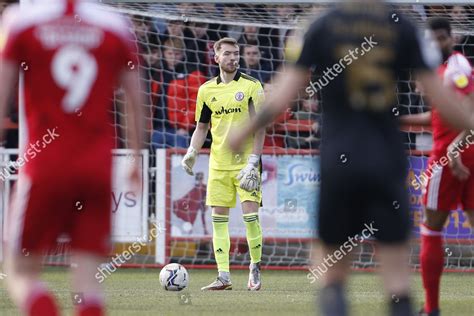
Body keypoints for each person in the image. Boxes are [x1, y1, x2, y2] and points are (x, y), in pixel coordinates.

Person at [229, 1, 474, 315]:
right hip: (386, 158)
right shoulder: (403, 25)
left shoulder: (319, 24)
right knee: (398, 278)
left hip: (338, 159)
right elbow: (443, 101)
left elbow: (282, 93)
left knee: (330, 272)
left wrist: (244, 129)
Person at [0, 1, 144, 315]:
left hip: (45, 163)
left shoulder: (21, 21)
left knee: (19, 270)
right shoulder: (114, 24)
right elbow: (134, 97)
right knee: (89, 284)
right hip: (97, 165)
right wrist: (135, 157)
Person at [399, 18, 474, 316]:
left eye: (442, 38)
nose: (438, 44)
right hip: (460, 152)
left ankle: (431, 309)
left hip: (448, 157)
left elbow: (469, 108)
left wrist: (455, 147)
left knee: (431, 230)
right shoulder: (443, 71)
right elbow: (439, 117)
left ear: (451, 38)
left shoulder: (457, 67)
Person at [181, 37, 265, 291]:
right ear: (216, 57)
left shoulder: (252, 86)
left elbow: (261, 126)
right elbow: (202, 127)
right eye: (227, 54)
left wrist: (254, 161)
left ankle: (255, 267)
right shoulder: (206, 90)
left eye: (235, 53)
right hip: (218, 163)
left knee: (251, 216)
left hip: (246, 164)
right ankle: (223, 276)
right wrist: (192, 151)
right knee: (218, 219)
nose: (233, 58)